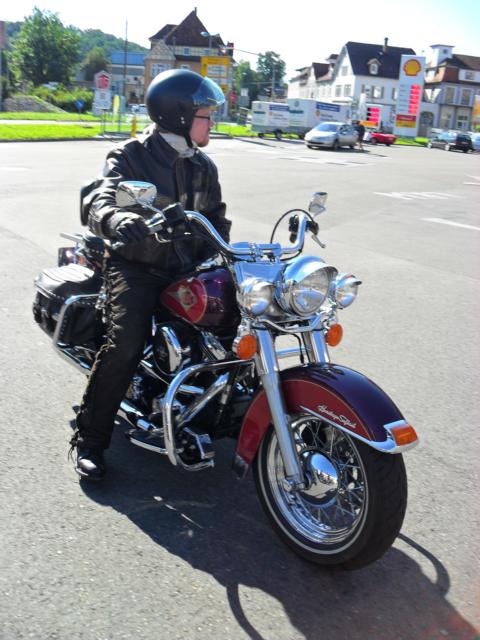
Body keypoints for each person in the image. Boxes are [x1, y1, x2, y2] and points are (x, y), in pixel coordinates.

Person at [70, 69, 231, 481]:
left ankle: (209, 408)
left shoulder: (203, 166)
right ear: (180, 117)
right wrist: (116, 219)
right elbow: (101, 196)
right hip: (137, 264)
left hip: (187, 265)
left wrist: (226, 257)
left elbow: (216, 219)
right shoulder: (130, 155)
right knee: (126, 342)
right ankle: (90, 439)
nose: (211, 122)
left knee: (234, 321)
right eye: (205, 115)